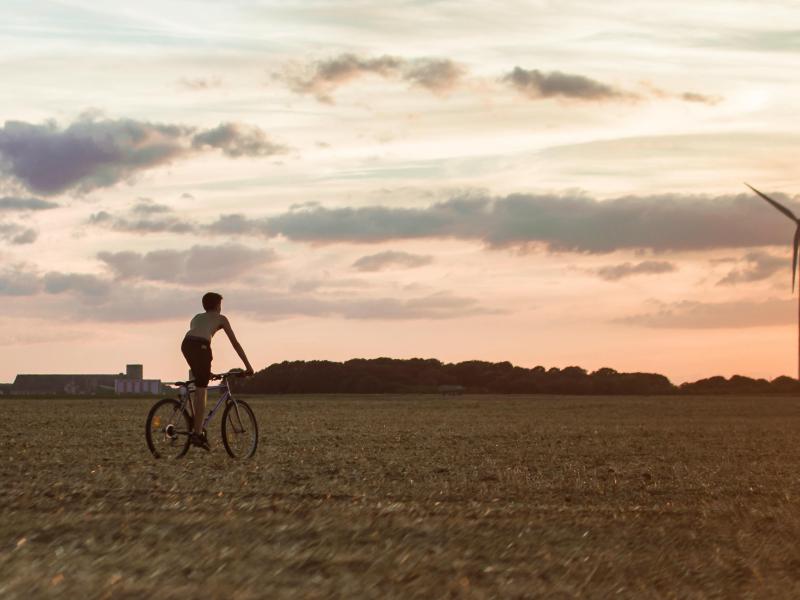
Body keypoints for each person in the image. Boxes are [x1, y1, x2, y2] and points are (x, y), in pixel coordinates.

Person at [181, 292, 254, 451]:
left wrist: (207, 371)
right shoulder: (221, 318)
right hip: (201, 345)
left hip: (186, 344)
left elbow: (197, 338)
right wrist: (248, 366)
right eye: (220, 305)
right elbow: (235, 343)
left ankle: (195, 423)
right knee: (202, 389)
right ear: (217, 306)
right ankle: (198, 434)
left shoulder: (196, 318)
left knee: (200, 380)